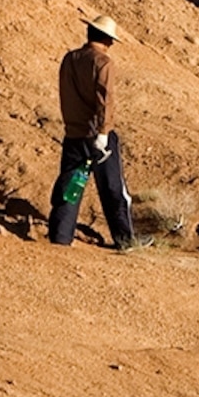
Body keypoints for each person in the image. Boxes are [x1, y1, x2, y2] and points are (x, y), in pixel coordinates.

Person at [49, 15, 135, 251]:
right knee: (113, 189)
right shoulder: (103, 63)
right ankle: (125, 240)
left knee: (70, 185)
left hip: (73, 134)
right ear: (108, 40)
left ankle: (60, 236)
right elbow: (105, 101)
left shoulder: (69, 59)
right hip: (98, 135)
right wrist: (104, 132)